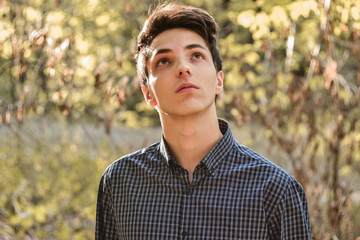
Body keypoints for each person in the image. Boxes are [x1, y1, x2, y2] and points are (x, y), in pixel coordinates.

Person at [95, 3, 311, 239]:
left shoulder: (276, 190)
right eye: (164, 61)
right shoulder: (118, 182)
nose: (183, 68)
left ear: (219, 81)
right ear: (148, 94)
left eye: (196, 55)